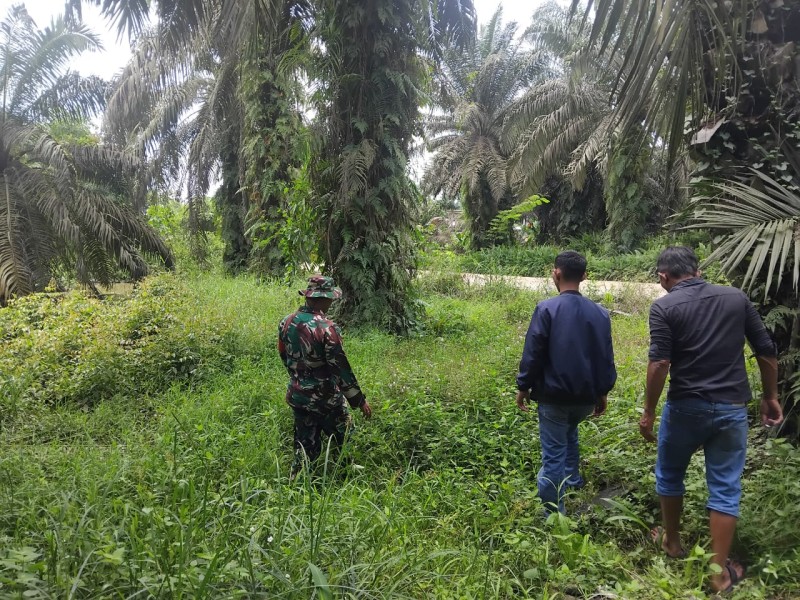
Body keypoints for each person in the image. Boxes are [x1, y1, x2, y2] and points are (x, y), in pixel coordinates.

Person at [640, 246, 783, 594]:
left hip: (685, 407)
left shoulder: (664, 306)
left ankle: (672, 544)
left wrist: (648, 412)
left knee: (670, 473)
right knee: (725, 487)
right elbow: (765, 349)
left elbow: (660, 364)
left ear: (663, 277)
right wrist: (770, 396)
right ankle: (719, 574)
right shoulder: (736, 298)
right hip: (732, 408)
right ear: (698, 270)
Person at [516, 251, 617, 514]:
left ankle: (553, 515)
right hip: (585, 398)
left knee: (553, 456)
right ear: (584, 276)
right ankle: (573, 479)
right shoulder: (600, 313)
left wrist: (523, 386)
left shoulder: (546, 308)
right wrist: (603, 392)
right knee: (570, 431)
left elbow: (533, 352)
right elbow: (605, 357)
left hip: (553, 398)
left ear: (556, 273)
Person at [278, 276, 372, 476]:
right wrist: (359, 400)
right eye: (330, 298)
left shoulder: (286, 322)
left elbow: (284, 356)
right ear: (322, 298)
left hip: (298, 396)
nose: (331, 302)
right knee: (345, 435)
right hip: (327, 399)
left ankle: (298, 484)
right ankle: (346, 473)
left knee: (304, 448)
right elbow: (340, 369)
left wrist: (299, 379)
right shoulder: (327, 328)